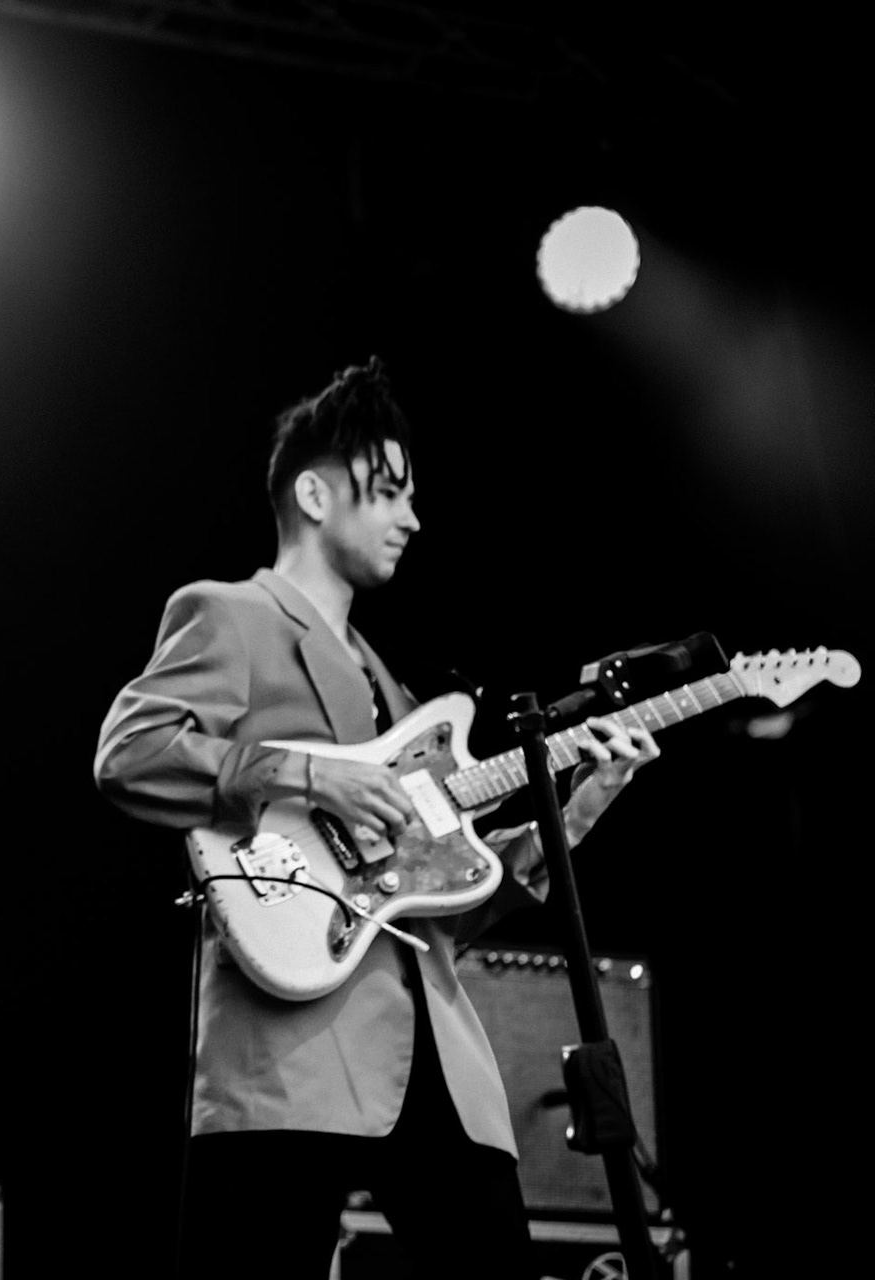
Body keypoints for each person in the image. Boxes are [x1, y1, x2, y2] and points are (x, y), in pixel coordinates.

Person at [92, 358, 658, 1280]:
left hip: (435, 1046)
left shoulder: (393, 690)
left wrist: (581, 809)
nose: (412, 517)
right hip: (291, 1046)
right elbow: (130, 755)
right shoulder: (228, 615)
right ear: (314, 493)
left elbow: (442, 904)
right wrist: (310, 775)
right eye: (388, 492)